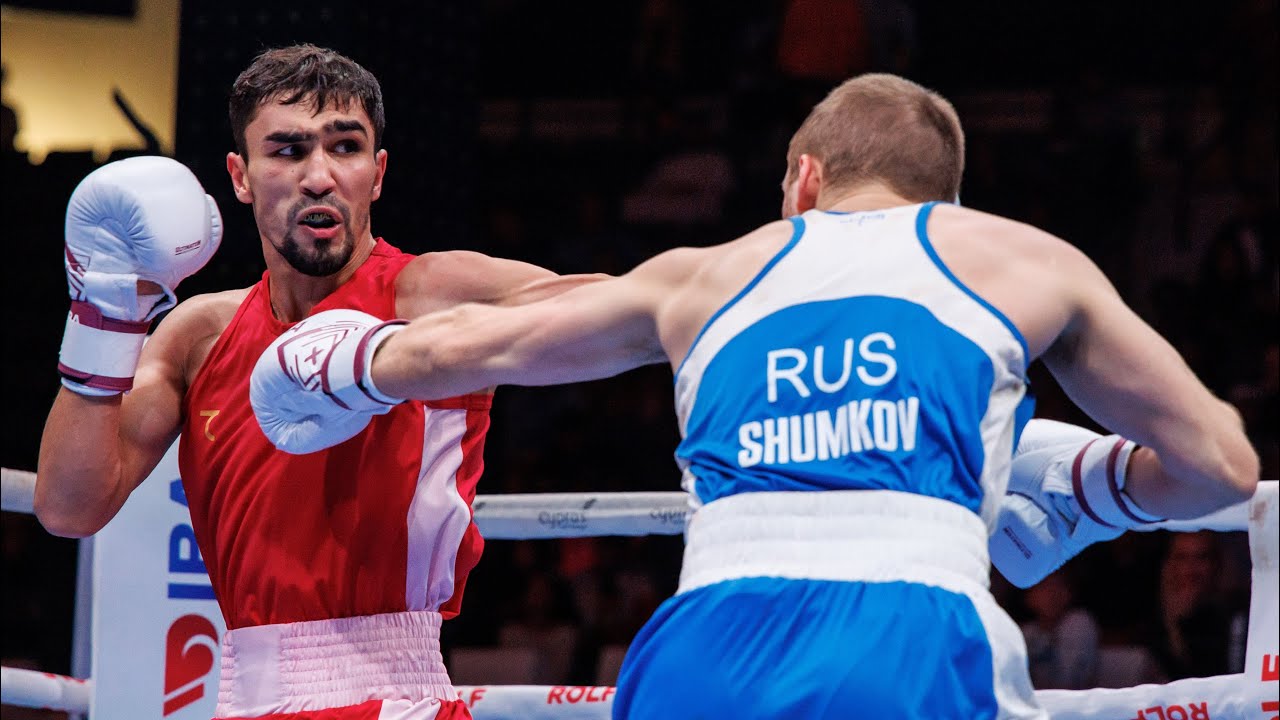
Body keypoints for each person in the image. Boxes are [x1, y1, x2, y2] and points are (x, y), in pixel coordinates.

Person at [251, 73, 1259, 717]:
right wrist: (1093, 482)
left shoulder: (706, 270)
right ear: (947, 198)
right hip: (907, 638)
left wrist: (341, 365)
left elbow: (474, 350)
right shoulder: (1018, 261)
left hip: (704, 646)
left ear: (802, 178)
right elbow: (1220, 468)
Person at [33, 44, 603, 720]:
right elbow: (69, 507)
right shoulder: (197, 335)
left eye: (346, 147)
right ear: (240, 177)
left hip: (393, 694)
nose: (320, 176)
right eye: (288, 151)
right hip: (240, 697)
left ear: (378, 173)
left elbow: (615, 311)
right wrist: (101, 316)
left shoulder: (430, 294)